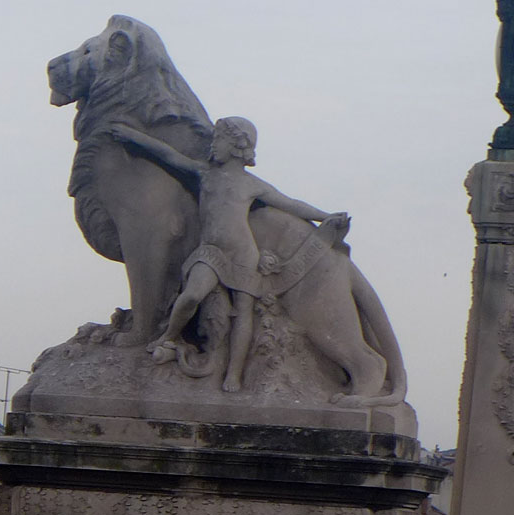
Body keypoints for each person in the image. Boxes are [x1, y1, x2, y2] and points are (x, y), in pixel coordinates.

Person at [109, 116, 348, 392]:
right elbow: (168, 155)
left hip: (243, 253)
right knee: (191, 296)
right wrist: (132, 135)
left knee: (243, 314)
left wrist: (325, 216)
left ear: (236, 146)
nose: (213, 145)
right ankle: (169, 337)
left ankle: (233, 375)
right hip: (211, 252)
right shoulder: (205, 173)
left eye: (219, 139)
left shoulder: (251, 185)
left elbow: (291, 204)